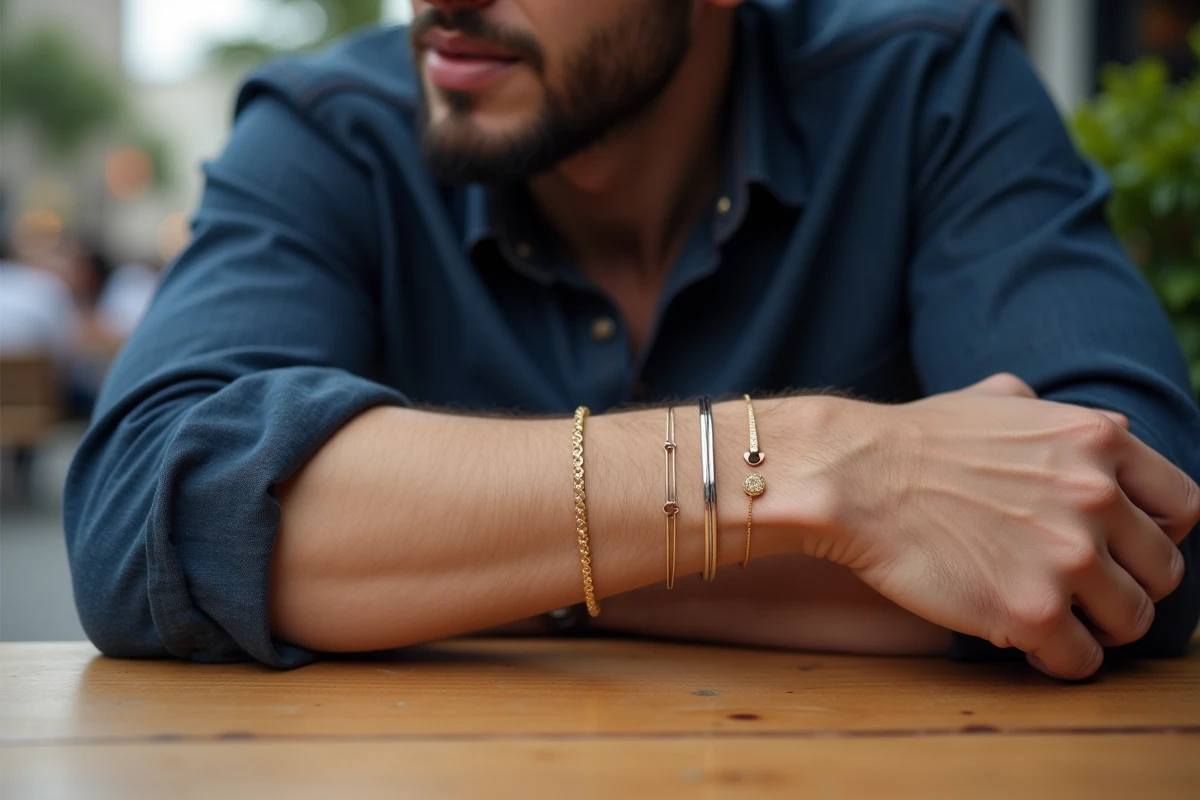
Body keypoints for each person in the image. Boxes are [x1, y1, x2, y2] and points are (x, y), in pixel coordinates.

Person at [65, 0, 1200, 679]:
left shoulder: (926, 81)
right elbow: (145, 518)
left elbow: (1130, 527)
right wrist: (831, 469)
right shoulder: (332, 127)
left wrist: (451, 558)